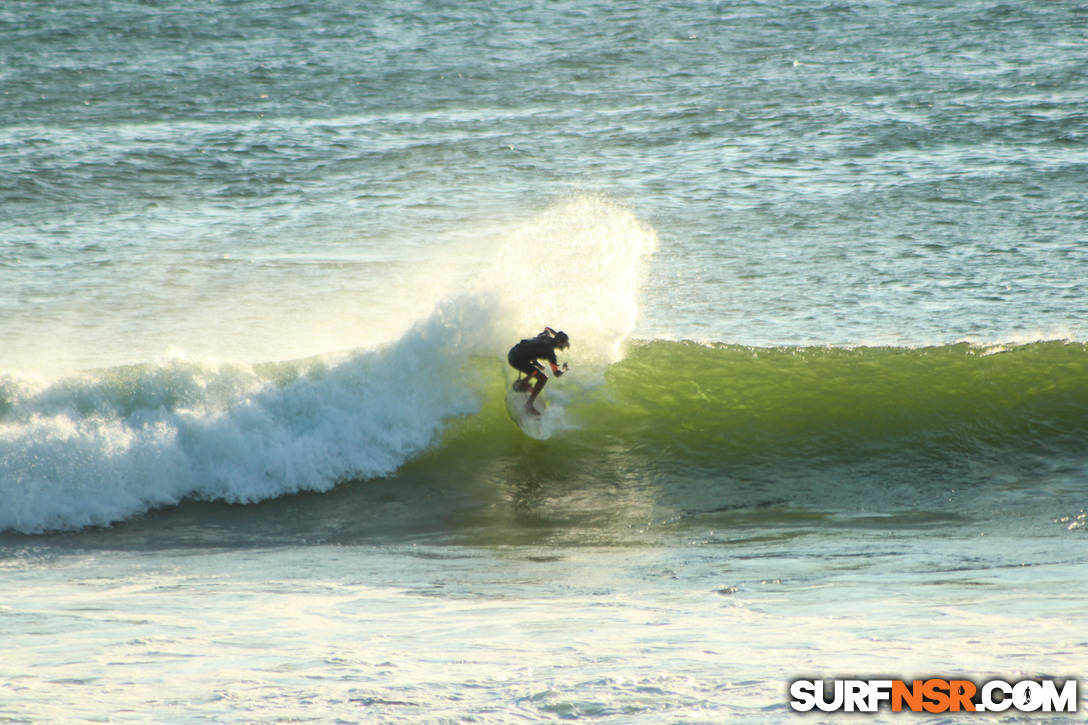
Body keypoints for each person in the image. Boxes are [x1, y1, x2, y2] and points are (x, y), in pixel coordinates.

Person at [507, 327, 570, 416]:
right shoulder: (550, 353)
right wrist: (564, 369)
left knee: (536, 369)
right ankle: (528, 404)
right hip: (517, 360)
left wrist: (536, 363)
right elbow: (556, 374)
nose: (565, 345)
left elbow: (547, 328)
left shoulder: (545, 335)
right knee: (543, 378)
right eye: (564, 343)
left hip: (513, 352)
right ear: (559, 342)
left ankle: (522, 385)